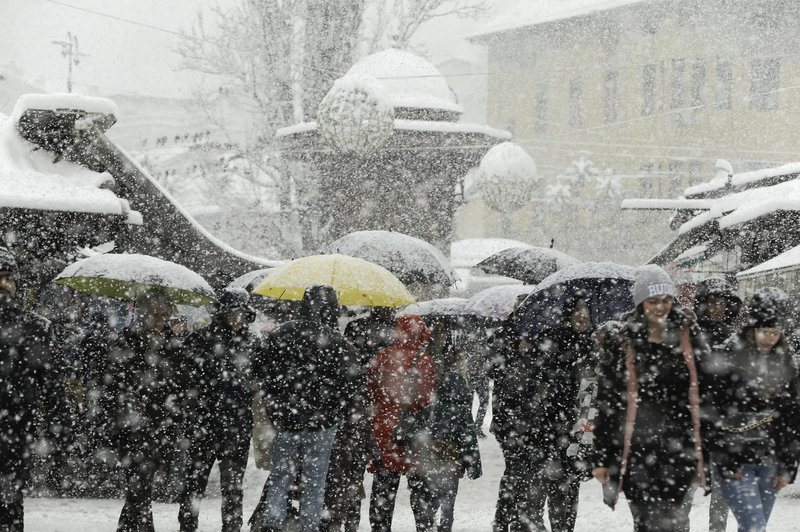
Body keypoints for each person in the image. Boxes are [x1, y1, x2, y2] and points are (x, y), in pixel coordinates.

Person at [591, 265, 709, 532]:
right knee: (646, 522)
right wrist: (600, 457)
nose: (660, 307)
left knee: (676, 521)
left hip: (681, 448)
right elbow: (608, 403)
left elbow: (709, 392)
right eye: (653, 301)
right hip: (637, 451)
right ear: (640, 303)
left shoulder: (689, 336)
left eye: (666, 300)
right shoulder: (623, 341)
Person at [257, 285, 358, 532]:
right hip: (321, 424)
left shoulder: (281, 335)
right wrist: (334, 413)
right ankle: (309, 526)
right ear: (332, 309)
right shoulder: (338, 342)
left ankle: (273, 525)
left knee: (280, 480)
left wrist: (277, 413)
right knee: (314, 482)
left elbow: (265, 378)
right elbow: (349, 385)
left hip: (287, 422)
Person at [700, 287, 800, 532]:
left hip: (770, 462)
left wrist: (787, 466)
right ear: (752, 328)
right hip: (736, 461)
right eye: (764, 331)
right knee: (754, 526)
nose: (769, 338)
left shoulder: (784, 363)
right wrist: (724, 460)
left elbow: (791, 419)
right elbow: (711, 413)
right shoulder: (729, 360)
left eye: (775, 333)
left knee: (756, 527)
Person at [178, 287, 258, 532]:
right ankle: (188, 526)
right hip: (205, 421)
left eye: (241, 313)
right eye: (231, 312)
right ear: (222, 313)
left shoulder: (252, 341)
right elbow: (187, 378)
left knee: (233, 484)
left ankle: (231, 527)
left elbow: (259, 377)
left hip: (236, 423)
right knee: (195, 482)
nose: (236, 318)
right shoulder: (201, 339)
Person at [0, 246, 68, 530]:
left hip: (16, 431)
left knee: (10, 503)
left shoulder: (35, 327)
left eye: (9, 277)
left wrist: (58, 435)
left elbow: (52, 386)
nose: (4, 284)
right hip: (17, 427)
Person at [104, 290, 183, 532]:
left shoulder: (172, 343)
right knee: (139, 480)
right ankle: (142, 526)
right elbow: (114, 383)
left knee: (142, 482)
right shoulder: (127, 340)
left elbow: (178, 381)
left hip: (159, 423)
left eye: (163, 314)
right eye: (154, 313)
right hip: (132, 423)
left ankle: (128, 526)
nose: (159, 319)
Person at [319, 308, 395, 532]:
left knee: (345, 481)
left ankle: (344, 523)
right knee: (352, 481)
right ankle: (355, 523)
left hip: (351, 425)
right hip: (358, 423)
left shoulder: (355, 334)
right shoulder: (383, 336)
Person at [526, 294, 594, 532]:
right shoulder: (554, 341)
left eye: (586, 310)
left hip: (582, 426)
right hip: (551, 425)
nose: (582, 315)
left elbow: (595, 392)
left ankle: (565, 528)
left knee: (572, 483)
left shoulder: (595, 345)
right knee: (554, 482)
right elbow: (539, 381)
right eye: (577, 309)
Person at [367, 314, 437, 532]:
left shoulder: (381, 357)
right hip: (412, 433)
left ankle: (380, 527)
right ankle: (424, 526)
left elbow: (371, 393)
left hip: (385, 431)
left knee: (383, 491)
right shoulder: (424, 361)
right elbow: (426, 398)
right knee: (421, 491)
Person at [687, 278, 742, 532]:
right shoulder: (692, 337)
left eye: (722, 303)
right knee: (685, 488)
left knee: (722, 490)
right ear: (704, 305)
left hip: (724, 425)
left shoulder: (737, 339)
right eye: (712, 303)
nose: (717, 308)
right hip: (693, 422)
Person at [416, 321, 482, 532]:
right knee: (448, 499)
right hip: (451, 461)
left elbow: (415, 431)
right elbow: (469, 439)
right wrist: (473, 466)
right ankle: (445, 526)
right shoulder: (462, 413)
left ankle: (427, 522)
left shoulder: (430, 409)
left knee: (430, 495)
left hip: (430, 459)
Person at [489, 294, 538, 532]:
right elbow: (492, 370)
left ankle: (515, 517)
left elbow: (543, 373)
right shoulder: (503, 334)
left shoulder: (540, 335)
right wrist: (515, 353)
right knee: (517, 468)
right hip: (508, 416)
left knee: (526, 470)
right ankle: (508, 517)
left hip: (534, 417)